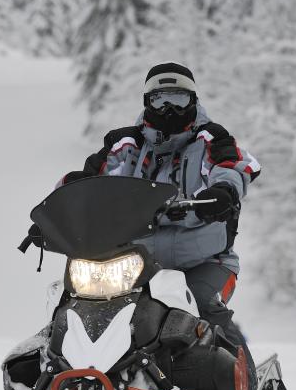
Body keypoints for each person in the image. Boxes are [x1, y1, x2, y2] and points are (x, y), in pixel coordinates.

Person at [60, 62, 260, 349]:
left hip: (203, 261)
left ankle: (242, 385)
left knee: (203, 306)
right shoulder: (125, 144)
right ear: (147, 102)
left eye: (178, 99)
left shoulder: (211, 139)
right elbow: (90, 179)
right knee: (87, 305)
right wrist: (64, 205)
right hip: (133, 263)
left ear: (193, 100)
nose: (169, 109)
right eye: (160, 99)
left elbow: (234, 165)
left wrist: (223, 191)